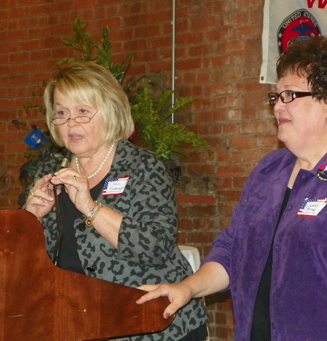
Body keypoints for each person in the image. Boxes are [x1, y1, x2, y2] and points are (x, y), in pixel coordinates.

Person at [136, 37, 327, 340]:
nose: (278, 106)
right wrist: (185, 288)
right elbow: (232, 249)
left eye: (290, 95)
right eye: (276, 96)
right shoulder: (269, 170)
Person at [23, 62, 208, 341]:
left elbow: (155, 248)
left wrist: (90, 207)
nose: (70, 123)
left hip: (153, 325)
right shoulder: (48, 172)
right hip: (81, 324)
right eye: (62, 113)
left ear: (109, 112)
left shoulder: (143, 167)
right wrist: (30, 219)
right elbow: (31, 267)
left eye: (82, 112)